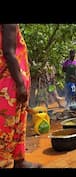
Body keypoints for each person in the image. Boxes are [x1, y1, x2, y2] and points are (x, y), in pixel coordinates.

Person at [0, 24, 41, 168]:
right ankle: (12, 162)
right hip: (9, 83)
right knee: (8, 124)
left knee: (18, 122)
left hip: (9, 81)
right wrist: (20, 84)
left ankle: (19, 160)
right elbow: (8, 53)